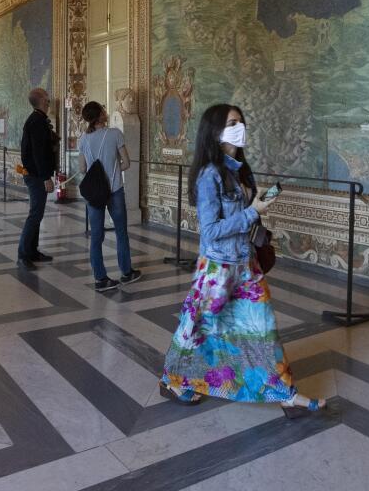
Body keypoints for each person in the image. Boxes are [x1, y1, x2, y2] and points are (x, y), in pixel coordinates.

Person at [159, 103, 328, 417]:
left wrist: (256, 202)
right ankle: (173, 379)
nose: (240, 127)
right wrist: (254, 211)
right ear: (215, 131)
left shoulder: (238, 172)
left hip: (245, 265)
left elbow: (240, 218)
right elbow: (210, 231)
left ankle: (286, 393)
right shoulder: (209, 176)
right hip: (218, 268)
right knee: (198, 328)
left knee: (263, 329)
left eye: (241, 121)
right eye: (232, 122)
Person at [77, 101, 141, 292]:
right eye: (103, 110)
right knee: (121, 232)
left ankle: (100, 278)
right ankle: (127, 272)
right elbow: (127, 163)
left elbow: (82, 169)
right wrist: (111, 171)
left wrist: (97, 177)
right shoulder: (114, 134)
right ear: (100, 115)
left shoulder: (83, 139)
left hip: (94, 193)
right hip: (114, 189)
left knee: (96, 236)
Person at [17, 87, 59, 270]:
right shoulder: (37, 121)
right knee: (35, 215)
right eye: (47, 100)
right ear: (42, 101)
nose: (49, 102)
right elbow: (38, 153)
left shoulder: (38, 120)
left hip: (35, 174)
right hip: (35, 176)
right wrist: (45, 177)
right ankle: (23, 254)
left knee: (37, 214)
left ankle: (32, 251)